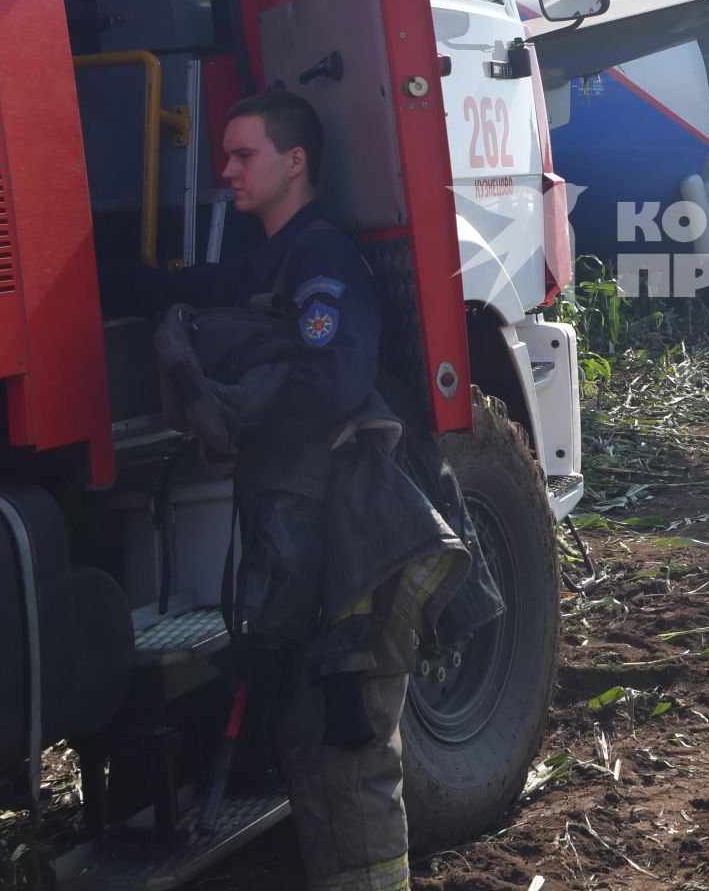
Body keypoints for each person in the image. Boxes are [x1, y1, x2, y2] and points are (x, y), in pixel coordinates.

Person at [113, 91, 464, 891]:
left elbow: (335, 381)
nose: (225, 169)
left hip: (352, 531)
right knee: (312, 736)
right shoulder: (271, 259)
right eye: (226, 155)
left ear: (295, 161)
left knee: (355, 744)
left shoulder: (321, 259)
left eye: (244, 155)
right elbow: (204, 285)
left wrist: (241, 428)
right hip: (306, 535)